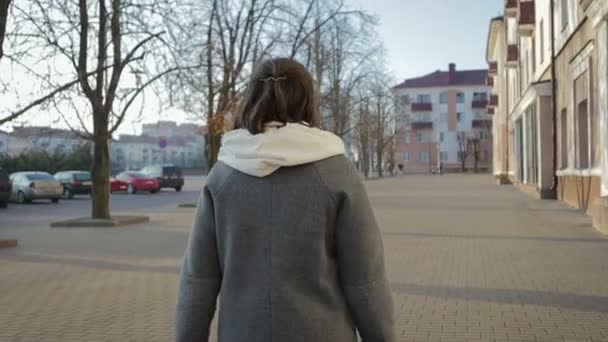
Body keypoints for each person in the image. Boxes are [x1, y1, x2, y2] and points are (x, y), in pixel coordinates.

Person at [175, 58, 395, 342]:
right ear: (307, 101)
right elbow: (365, 278)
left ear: (252, 98)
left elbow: (198, 279)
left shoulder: (223, 175)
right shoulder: (336, 172)